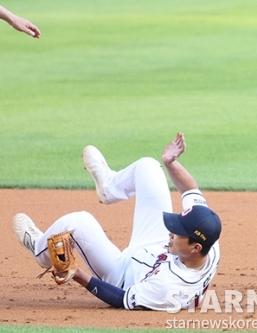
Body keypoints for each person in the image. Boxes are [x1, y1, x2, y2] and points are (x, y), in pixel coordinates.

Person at [13, 132, 221, 311]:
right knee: (148, 166)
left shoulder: (169, 289)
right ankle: (109, 186)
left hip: (123, 276)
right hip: (154, 249)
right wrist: (170, 162)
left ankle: (40, 251)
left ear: (195, 247)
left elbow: (120, 299)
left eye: (177, 233)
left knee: (77, 222)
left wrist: (76, 274)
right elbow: (190, 190)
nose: (171, 232)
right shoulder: (207, 236)